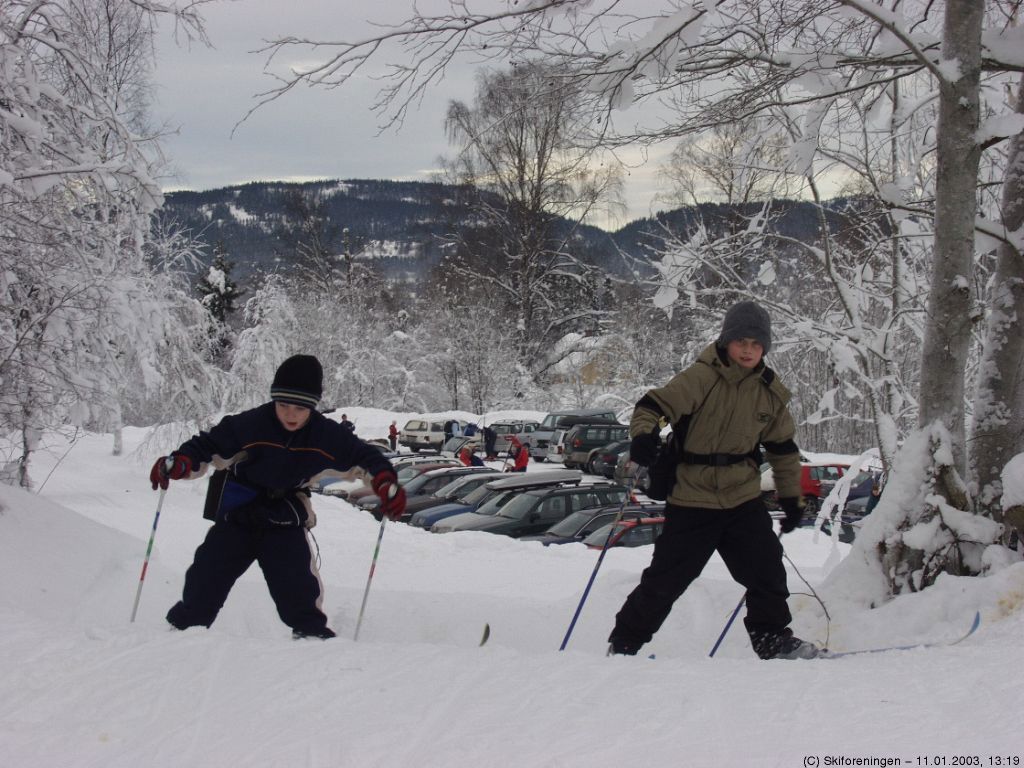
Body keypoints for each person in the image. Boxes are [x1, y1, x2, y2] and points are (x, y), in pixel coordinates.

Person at [608, 301, 817, 660]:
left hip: (742, 498)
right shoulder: (701, 378)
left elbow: (783, 449)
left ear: (765, 346)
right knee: (665, 581)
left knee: (767, 570)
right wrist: (644, 435)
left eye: (755, 343)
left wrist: (791, 497)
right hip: (693, 499)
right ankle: (625, 644)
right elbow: (652, 408)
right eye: (740, 342)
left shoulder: (770, 392)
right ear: (726, 342)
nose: (748, 350)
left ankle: (771, 639)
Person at [149, 354, 406, 639]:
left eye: (300, 407)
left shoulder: (325, 436)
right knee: (206, 576)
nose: (290, 414)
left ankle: (311, 639)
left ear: (312, 406)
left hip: (285, 515)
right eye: (283, 405)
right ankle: (180, 635)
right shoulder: (251, 424)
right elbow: (207, 446)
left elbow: (366, 456)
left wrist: (384, 482)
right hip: (241, 511)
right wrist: (181, 462)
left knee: (297, 585)